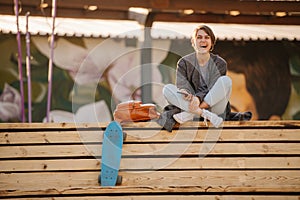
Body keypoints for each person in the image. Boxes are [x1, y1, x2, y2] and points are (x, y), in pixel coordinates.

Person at [161, 25, 232, 128]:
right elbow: (182, 85)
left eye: (207, 37)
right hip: (190, 104)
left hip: (214, 107)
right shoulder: (184, 62)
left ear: (212, 43)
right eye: (199, 37)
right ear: (193, 43)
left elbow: (212, 88)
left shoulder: (220, 63)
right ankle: (202, 113)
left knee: (226, 81)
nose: (203, 40)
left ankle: (191, 114)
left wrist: (198, 98)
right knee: (167, 89)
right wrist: (186, 93)